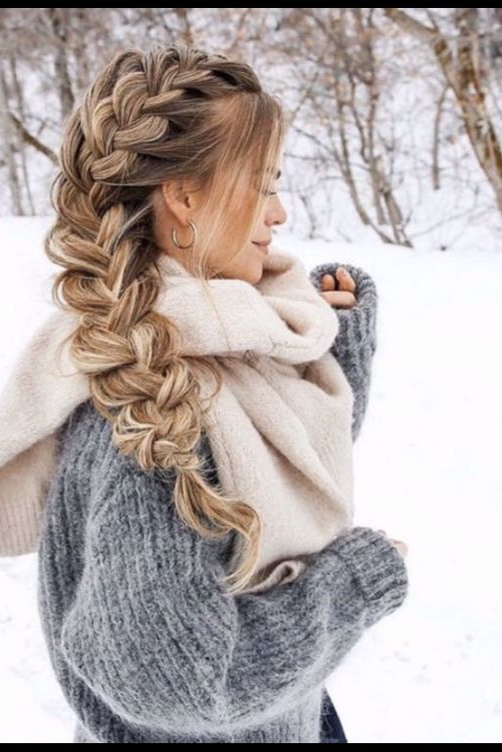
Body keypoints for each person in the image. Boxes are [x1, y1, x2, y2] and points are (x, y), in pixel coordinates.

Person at [27, 41, 409, 743]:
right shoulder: (146, 414)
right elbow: (182, 679)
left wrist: (330, 353)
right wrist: (353, 583)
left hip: (287, 719)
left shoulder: (191, 345)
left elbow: (259, 483)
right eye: (262, 184)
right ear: (182, 197)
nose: (279, 213)